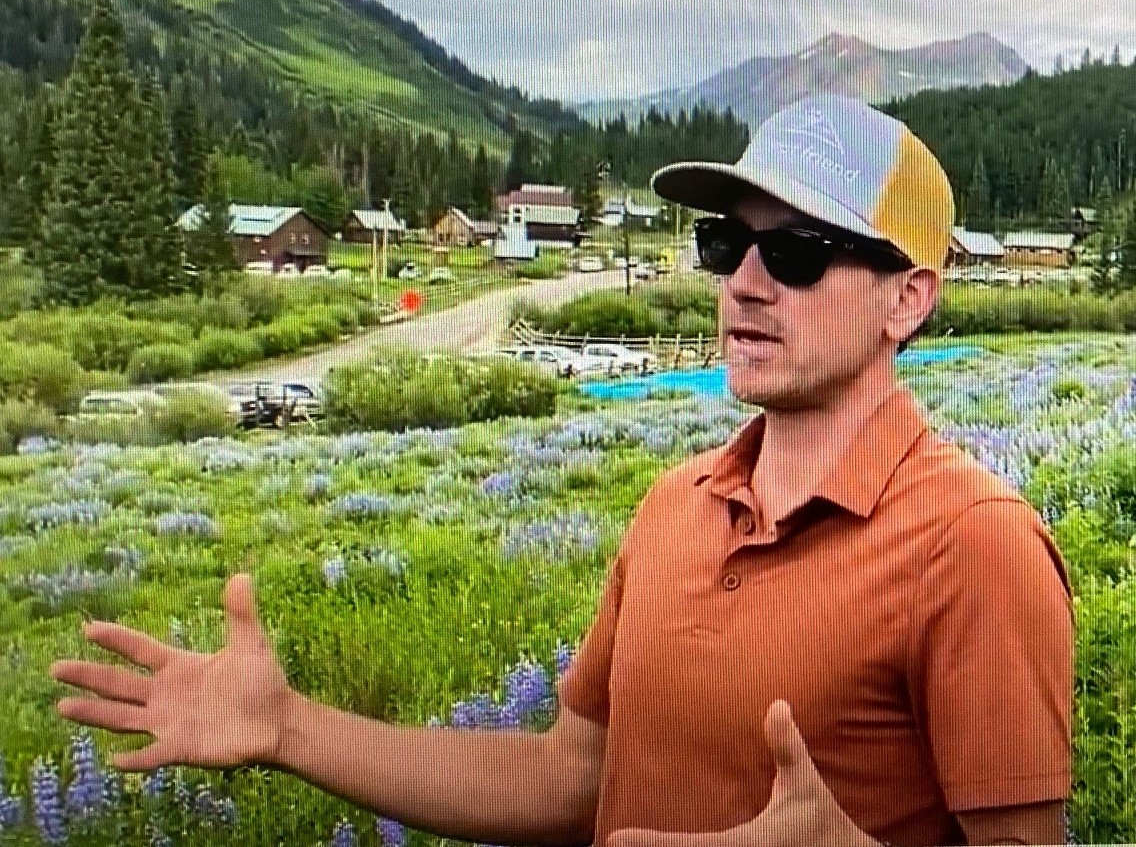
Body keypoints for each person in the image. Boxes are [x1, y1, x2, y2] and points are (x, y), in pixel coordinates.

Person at [48, 93, 1076, 847]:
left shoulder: (975, 543)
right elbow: (566, 779)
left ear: (909, 299)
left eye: (799, 252)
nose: (747, 285)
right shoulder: (677, 506)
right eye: (727, 245)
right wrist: (289, 728)